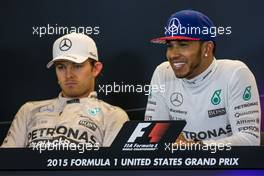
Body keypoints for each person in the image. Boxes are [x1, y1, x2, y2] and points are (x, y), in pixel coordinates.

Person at [145, 10, 261, 145]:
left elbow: (249, 140)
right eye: (170, 46)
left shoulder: (235, 73)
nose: (173, 55)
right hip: (179, 164)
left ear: (207, 48)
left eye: (183, 45)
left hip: (224, 165)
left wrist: (196, 148)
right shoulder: (162, 73)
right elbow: (153, 138)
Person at [1, 32, 129, 148]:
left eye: (77, 66)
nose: (68, 75)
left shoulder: (112, 115)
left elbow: (112, 168)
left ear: (95, 69)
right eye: (61, 67)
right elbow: (7, 163)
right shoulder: (28, 111)